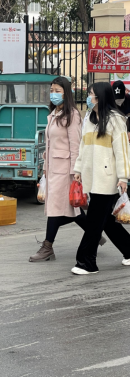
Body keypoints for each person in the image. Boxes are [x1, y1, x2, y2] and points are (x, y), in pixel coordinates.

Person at [30, 76, 92, 262]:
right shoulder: (54, 114)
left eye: (58, 91)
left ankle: (47, 246)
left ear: (66, 93)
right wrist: (45, 168)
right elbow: (50, 143)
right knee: (69, 209)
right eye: (52, 91)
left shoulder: (72, 115)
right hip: (53, 169)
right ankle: (94, 233)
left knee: (56, 208)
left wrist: (76, 173)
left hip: (66, 171)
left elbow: (76, 145)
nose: (54, 94)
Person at [72, 81, 130, 275]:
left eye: (91, 94)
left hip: (108, 180)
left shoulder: (115, 119)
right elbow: (83, 147)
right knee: (106, 221)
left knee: (94, 221)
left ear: (100, 96)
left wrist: (123, 177)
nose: (88, 97)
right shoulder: (90, 118)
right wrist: (78, 169)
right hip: (92, 178)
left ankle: (86, 262)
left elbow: (122, 150)